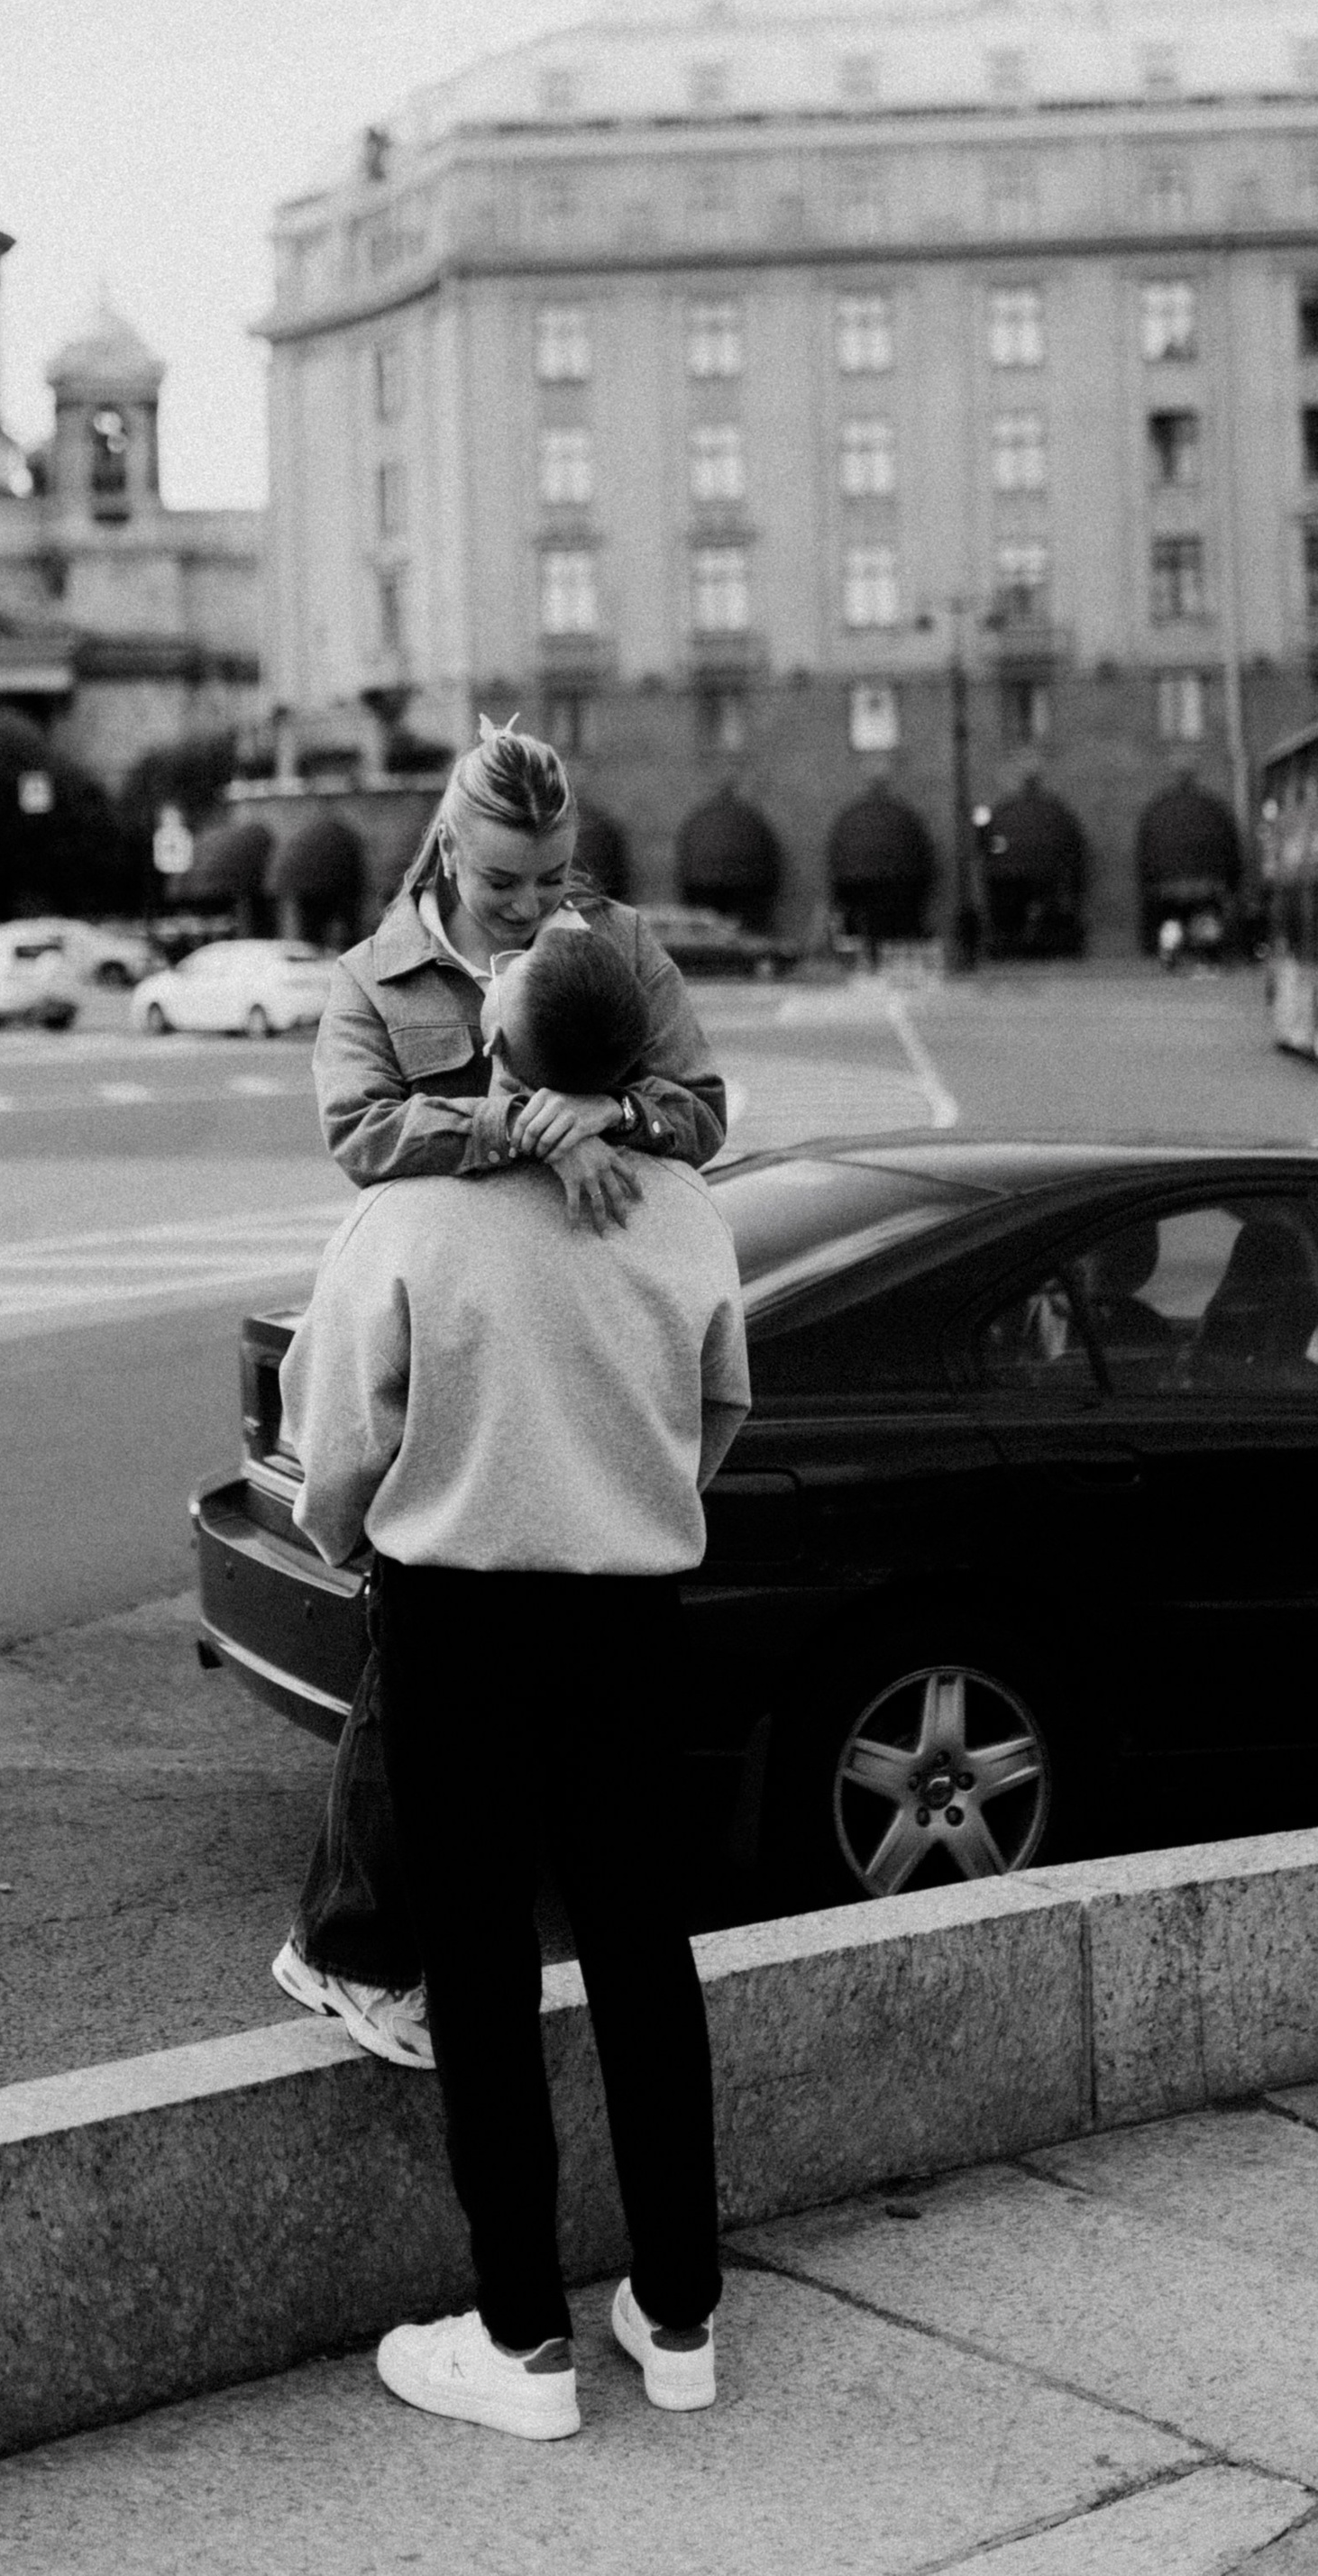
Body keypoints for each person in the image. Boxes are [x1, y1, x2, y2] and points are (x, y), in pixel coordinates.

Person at [284, 921, 751, 2439]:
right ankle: (679, 2317)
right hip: (632, 1610)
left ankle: (522, 2339)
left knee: (479, 1966)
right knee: (640, 1947)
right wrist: (626, 1497)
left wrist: (365, 1535)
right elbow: (720, 1407)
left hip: (458, 1614)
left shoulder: (416, 1221)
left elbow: (336, 1440)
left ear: (499, 1050)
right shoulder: (687, 1211)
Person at [270, 719, 728, 2069]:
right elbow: (360, 1135)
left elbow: (698, 1104)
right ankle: (353, 1945)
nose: (539, 906)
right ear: (448, 848)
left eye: (557, 876)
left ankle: (376, 1944)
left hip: (582, 1317)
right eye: (508, 883)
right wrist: (512, 1119)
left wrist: (609, 1114)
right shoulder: (374, 978)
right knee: (412, 1653)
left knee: (477, 1677)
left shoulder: (618, 947)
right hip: (447, 1321)